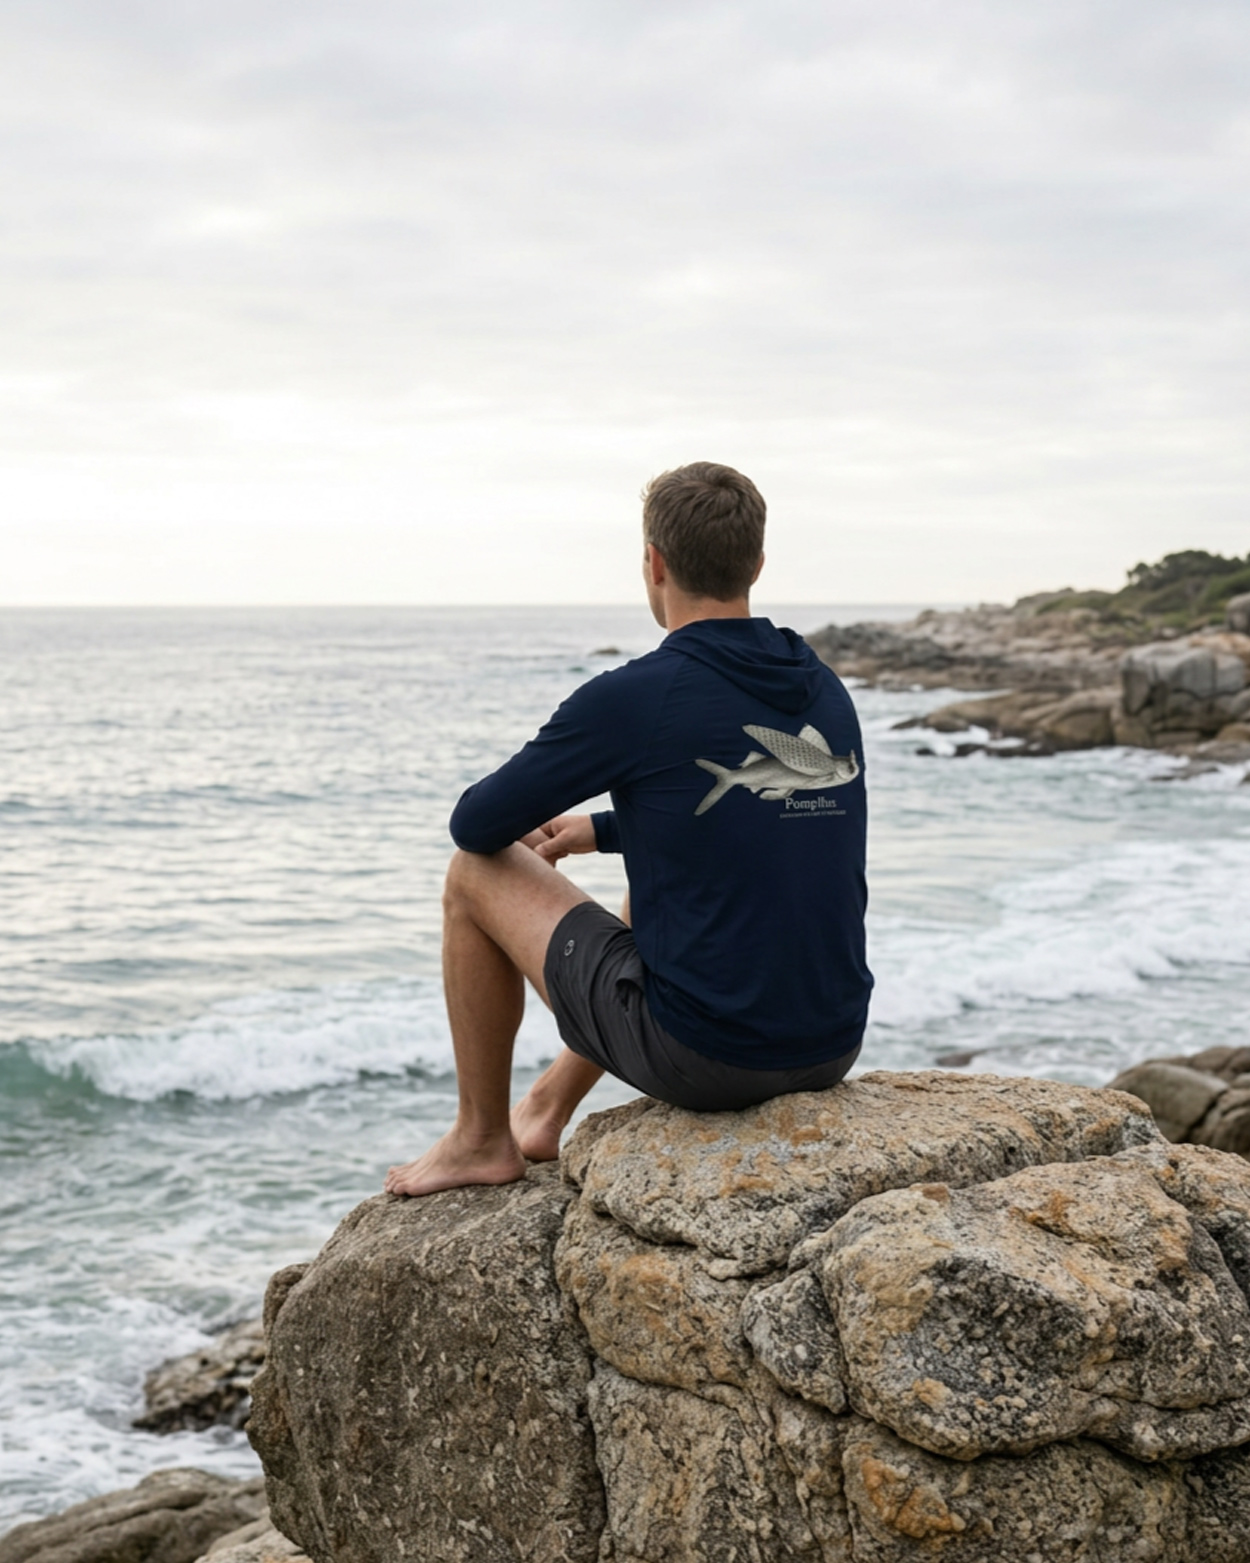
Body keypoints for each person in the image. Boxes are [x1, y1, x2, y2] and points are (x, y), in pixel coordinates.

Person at [385, 462, 872, 1197]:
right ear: (758, 564)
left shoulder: (638, 695)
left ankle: (480, 1139)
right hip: (830, 1044)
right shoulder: (819, 685)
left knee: (471, 874)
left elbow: (477, 823)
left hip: (712, 1060)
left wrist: (591, 811)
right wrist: (602, 829)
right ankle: (547, 1105)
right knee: (659, 882)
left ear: (654, 562)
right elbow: (752, 816)